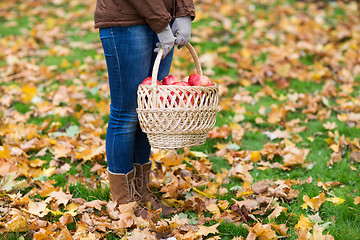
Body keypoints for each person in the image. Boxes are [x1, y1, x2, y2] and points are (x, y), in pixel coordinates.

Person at [94, 0, 195, 218]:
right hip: (126, 18)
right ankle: (123, 202)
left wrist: (184, 13)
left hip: (163, 20)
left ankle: (140, 191)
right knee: (127, 112)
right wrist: (161, 23)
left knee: (147, 111)